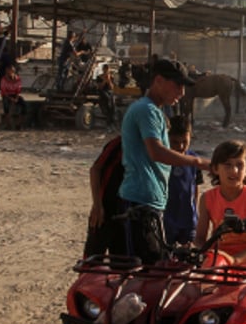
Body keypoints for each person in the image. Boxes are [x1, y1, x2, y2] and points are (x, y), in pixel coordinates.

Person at [119, 59, 209, 264]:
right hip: (140, 201)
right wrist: (199, 163)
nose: (182, 92)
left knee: (158, 265)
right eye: (178, 85)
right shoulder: (147, 110)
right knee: (146, 269)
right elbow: (157, 152)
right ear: (158, 80)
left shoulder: (155, 111)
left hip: (151, 201)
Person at [195, 139, 246, 269]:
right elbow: (200, 238)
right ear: (215, 169)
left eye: (240, 165)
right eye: (227, 165)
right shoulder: (207, 198)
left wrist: (235, 260)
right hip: (219, 254)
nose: (234, 170)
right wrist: (202, 252)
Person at [84, 135, 126, 258]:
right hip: (105, 208)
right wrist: (97, 205)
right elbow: (95, 169)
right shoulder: (119, 143)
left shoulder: (149, 145)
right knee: (93, 259)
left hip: (126, 212)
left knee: (122, 261)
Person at [163, 115, 203, 246]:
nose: (180, 146)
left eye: (184, 142)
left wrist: (195, 211)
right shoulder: (162, 160)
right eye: (174, 142)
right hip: (167, 218)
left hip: (188, 218)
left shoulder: (193, 160)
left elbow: (195, 185)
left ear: (190, 137)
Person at [0, 65, 27, 129]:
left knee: (24, 105)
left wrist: (16, 98)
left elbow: (18, 90)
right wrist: (10, 98)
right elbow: (3, 91)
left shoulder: (18, 79)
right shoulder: (4, 79)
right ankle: (8, 124)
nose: (9, 73)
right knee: (6, 105)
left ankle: (19, 124)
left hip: (15, 94)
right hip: (7, 95)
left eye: (10, 71)